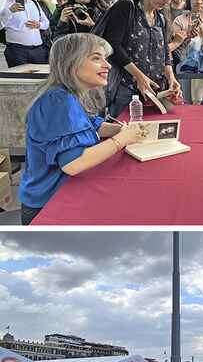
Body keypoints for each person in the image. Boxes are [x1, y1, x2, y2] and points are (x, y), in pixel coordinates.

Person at [19, 33, 145, 225]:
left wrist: (122, 131)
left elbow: (90, 125)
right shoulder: (59, 101)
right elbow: (74, 163)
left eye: (105, 58)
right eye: (96, 58)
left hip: (50, 198)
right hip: (48, 205)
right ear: (71, 63)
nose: (108, 65)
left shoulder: (67, 94)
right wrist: (123, 139)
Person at [96, 0, 182, 117]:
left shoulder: (161, 18)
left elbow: (164, 51)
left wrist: (171, 78)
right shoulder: (126, 7)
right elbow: (113, 45)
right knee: (123, 129)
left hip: (154, 91)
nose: (167, 1)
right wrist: (139, 77)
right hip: (125, 87)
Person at [171, 0, 203, 104]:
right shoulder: (180, 20)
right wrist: (187, 36)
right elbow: (174, 45)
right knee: (185, 101)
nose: (199, 2)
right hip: (185, 67)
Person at [0, 0, 50, 67]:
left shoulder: (35, 3)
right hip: (17, 51)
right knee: (20, 78)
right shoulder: (5, 3)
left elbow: (46, 23)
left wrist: (39, 25)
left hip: (38, 50)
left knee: (40, 78)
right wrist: (9, 11)